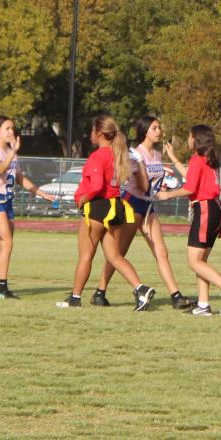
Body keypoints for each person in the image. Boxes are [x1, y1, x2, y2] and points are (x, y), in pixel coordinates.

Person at [92, 115, 197, 310]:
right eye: (154, 128)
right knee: (118, 252)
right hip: (133, 203)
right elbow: (141, 185)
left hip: (148, 206)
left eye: (159, 127)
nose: (158, 131)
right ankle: (100, 292)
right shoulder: (134, 154)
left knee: (161, 251)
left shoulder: (157, 154)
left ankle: (176, 296)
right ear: (144, 131)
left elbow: (152, 185)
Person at [56, 113, 156, 311]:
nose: (90, 134)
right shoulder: (117, 154)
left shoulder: (98, 156)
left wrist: (81, 199)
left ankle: (75, 299)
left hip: (97, 208)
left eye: (93, 131)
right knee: (115, 256)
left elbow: (95, 187)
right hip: (115, 206)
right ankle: (140, 288)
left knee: (86, 256)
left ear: (100, 133)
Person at [157, 125, 221, 316]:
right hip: (214, 209)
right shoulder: (206, 160)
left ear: (196, 140)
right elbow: (191, 177)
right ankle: (204, 305)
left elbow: (189, 188)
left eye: (189, 136)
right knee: (201, 261)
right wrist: (174, 159)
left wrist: (168, 195)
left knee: (194, 262)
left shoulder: (197, 159)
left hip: (205, 209)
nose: (187, 140)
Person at [0, 115, 55, 299]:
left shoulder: (11, 151)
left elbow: (20, 178)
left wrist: (40, 192)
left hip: (7, 201)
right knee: (6, 243)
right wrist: (13, 152)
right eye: (7, 128)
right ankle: (2, 290)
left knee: (3, 249)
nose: (11, 132)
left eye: (12, 128)